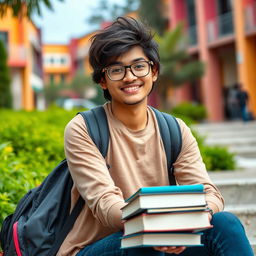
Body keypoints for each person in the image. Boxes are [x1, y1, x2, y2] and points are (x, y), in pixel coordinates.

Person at [58, 17, 253, 256]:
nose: (130, 77)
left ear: (154, 71)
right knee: (143, 242)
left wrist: (185, 225)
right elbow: (105, 204)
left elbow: (209, 194)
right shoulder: (83, 128)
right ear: (103, 81)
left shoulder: (174, 129)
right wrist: (153, 228)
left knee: (225, 224)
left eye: (139, 66)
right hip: (97, 247)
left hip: (161, 240)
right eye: (117, 70)